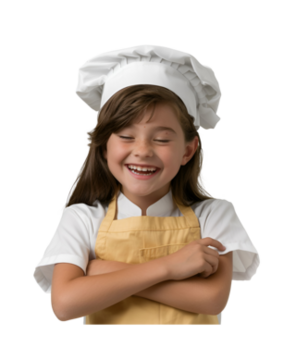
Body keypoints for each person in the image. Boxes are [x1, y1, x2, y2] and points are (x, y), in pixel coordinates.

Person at [36, 44, 261, 325]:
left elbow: (211, 299)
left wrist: (100, 272)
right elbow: (65, 305)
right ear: (104, 146)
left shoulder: (216, 214)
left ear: (188, 150)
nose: (142, 150)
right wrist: (169, 267)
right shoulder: (80, 218)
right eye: (127, 136)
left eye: (162, 139)